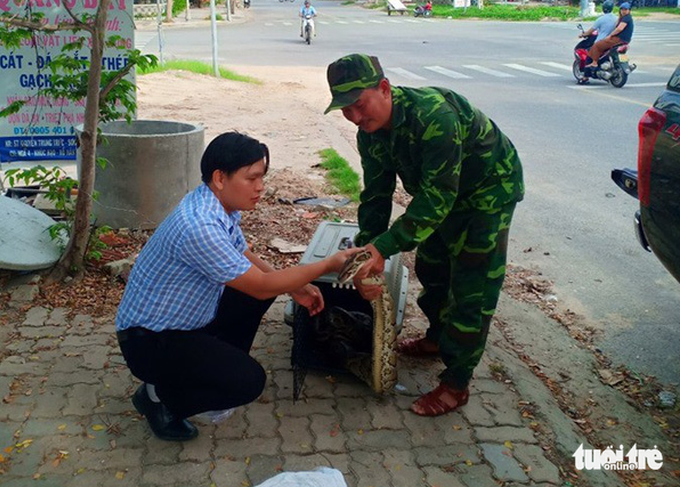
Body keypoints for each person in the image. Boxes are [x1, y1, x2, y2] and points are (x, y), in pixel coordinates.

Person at [115, 132, 361, 441]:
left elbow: (243, 254)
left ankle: (206, 369)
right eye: (252, 178)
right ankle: (159, 398)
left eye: (262, 178)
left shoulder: (215, 204)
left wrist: (291, 287)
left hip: (178, 324)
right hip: (149, 341)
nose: (261, 187)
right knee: (248, 382)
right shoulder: (199, 225)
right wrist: (326, 265)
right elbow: (259, 285)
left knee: (258, 294)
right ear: (220, 178)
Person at [324, 54, 524, 417]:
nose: (354, 116)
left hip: (486, 194)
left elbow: (437, 198)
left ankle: (456, 383)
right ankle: (437, 338)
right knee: (432, 268)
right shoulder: (369, 134)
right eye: (344, 110)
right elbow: (376, 194)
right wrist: (366, 253)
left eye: (359, 105)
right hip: (442, 194)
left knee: (471, 289)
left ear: (384, 89)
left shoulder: (435, 116)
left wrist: (384, 247)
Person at [581, 2, 634, 82]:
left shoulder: (624, 18)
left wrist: (583, 34)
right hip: (625, 41)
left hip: (615, 39)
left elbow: (619, 29)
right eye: (622, 9)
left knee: (596, 46)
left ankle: (593, 65)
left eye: (625, 10)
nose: (623, 11)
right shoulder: (617, 18)